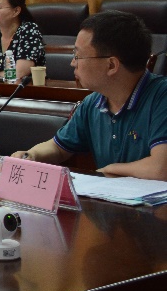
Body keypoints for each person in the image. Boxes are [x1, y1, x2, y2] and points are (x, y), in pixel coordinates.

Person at [14, 10, 167, 180]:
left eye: (78, 56)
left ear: (111, 65)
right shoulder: (93, 102)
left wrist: (110, 170)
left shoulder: (161, 97)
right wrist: (31, 155)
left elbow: (161, 168)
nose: (72, 63)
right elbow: (58, 148)